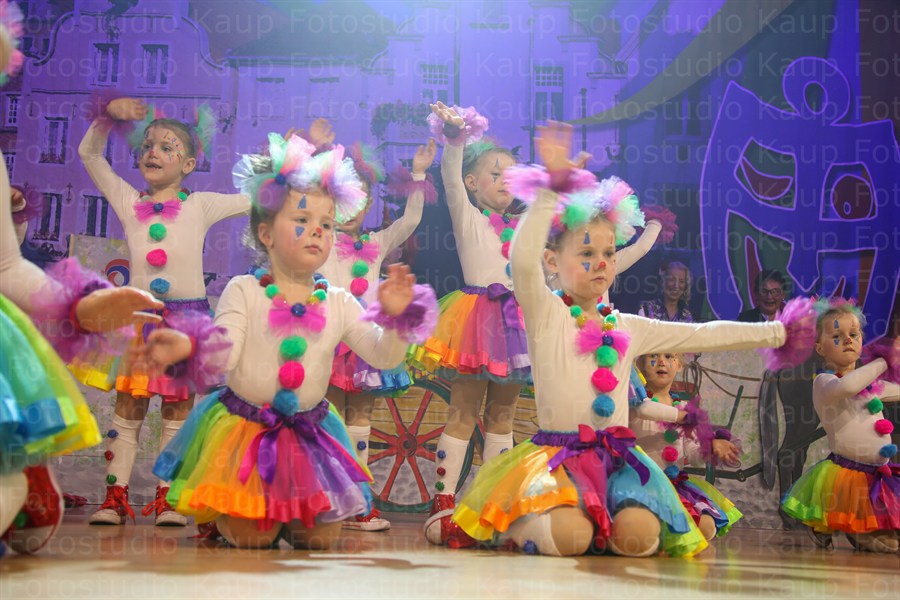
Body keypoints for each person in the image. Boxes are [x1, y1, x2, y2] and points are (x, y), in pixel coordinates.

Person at [445, 122, 816, 557]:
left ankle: (600, 524)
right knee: (570, 538)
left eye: (607, 253)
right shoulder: (546, 313)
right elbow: (522, 260)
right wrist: (550, 190)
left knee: (640, 537)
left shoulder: (625, 325)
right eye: (586, 253)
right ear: (553, 260)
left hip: (616, 461)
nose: (602, 263)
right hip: (557, 461)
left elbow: (702, 332)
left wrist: (777, 330)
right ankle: (522, 527)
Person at [150, 133, 437, 549]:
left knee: (320, 540)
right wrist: (190, 347)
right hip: (247, 432)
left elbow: (381, 355)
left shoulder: (338, 301)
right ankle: (229, 515)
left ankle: (284, 515)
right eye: (301, 220)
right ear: (266, 234)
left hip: (307, 434)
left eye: (326, 224)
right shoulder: (244, 290)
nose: (317, 231)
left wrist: (394, 322)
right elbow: (224, 351)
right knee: (252, 539)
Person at [77, 96, 251, 526]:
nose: (152, 152)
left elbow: (255, 198)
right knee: (129, 408)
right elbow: (90, 155)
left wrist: (285, 163)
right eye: (147, 145)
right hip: (140, 320)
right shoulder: (128, 199)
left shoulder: (201, 204)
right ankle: (115, 497)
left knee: (177, 411)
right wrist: (107, 118)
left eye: (166, 146)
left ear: (189, 164)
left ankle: (167, 498)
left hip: (187, 322)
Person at [407, 103, 530, 544]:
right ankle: (443, 504)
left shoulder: (524, 227)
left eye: (511, 175)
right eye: (495, 174)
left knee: (503, 417)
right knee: (463, 412)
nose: (504, 181)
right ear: (473, 184)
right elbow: (450, 175)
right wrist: (455, 138)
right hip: (476, 321)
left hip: (516, 325)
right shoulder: (468, 214)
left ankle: (491, 503)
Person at [319, 140, 437, 531]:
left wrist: (419, 174)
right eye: (341, 198)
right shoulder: (320, 242)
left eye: (358, 199)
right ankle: (327, 497)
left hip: (365, 345)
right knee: (329, 418)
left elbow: (411, 221)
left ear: (369, 203)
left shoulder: (376, 242)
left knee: (361, 419)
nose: (349, 207)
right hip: (329, 343)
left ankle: (357, 501)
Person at [781, 298, 899, 553]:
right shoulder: (824, 382)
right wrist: (884, 361)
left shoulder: (871, 386)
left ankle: (846, 526)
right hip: (848, 478)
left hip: (877, 475)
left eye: (854, 335)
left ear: (861, 341)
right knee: (887, 545)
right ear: (820, 348)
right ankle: (837, 521)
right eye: (837, 336)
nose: (847, 340)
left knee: (893, 538)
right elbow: (848, 386)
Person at [631, 352, 742, 541]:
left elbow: (692, 453)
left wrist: (710, 448)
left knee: (707, 528)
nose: (661, 362)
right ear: (640, 364)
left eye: (669, 356)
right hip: (640, 484)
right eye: (653, 356)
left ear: (679, 365)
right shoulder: (635, 402)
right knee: (647, 526)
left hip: (673, 485)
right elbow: (644, 410)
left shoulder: (684, 408)